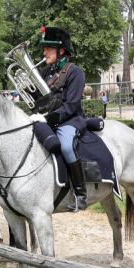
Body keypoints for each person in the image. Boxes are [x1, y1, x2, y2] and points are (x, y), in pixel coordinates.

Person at [34, 26, 88, 211]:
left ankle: (80, 194)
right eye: (44, 48)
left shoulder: (75, 72)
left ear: (61, 51)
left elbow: (71, 106)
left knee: (66, 146)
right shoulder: (44, 72)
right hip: (46, 119)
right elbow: (37, 98)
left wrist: (48, 118)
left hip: (69, 120)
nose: (44, 52)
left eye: (49, 48)